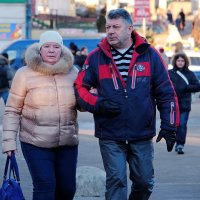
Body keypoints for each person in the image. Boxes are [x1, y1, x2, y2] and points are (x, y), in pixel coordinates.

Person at [74, 8, 179, 200]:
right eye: (108, 27)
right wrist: (99, 104)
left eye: (116, 26)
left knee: (144, 182)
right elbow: (79, 88)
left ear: (130, 28)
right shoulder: (96, 57)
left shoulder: (150, 55)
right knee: (116, 181)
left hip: (141, 133)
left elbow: (166, 92)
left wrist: (170, 126)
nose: (110, 31)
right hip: (110, 134)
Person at [2, 30, 79, 200]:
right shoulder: (24, 73)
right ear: (40, 49)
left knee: (67, 189)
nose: (51, 50)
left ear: (61, 49)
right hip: (35, 142)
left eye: (56, 47)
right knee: (45, 186)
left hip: (67, 142)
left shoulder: (73, 72)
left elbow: (82, 104)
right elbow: (12, 110)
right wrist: (8, 142)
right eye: (47, 46)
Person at [169, 52, 200, 154]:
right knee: (173, 125)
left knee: (182, 125)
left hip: (184, 104)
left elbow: (197, 86)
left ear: (185, 61)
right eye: (178, 60)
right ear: (175, 61)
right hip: (171, 105)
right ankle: (173, 141)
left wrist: (186, 87)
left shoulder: (190, 74)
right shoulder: (169, 73)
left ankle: (180, 145)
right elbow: (163, 86)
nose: (180, 62)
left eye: (182, 61)